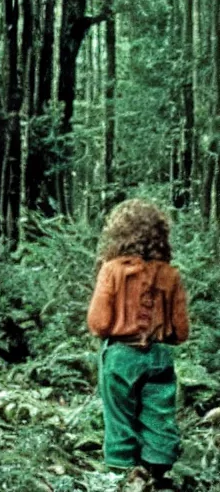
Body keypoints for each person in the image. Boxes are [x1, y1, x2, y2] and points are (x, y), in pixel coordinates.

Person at [87, 199, 188, 489]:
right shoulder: (171, 275)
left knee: (119, 414)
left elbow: (98, 323)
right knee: (159, 412)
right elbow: (180, 332)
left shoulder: (111, 269)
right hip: (158, 355)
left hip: (120, 354)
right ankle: (157, 466)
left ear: (118, 234)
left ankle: (123, 471)